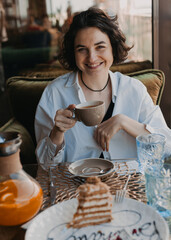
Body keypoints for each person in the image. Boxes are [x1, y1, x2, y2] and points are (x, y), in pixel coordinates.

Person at [35, 8, 171, 167]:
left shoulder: (134, 90)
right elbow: (45, 165)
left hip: (127, 185)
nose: (92, 58)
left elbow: (167, 148)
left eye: (100, 47)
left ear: (113, 48)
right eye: (82, 49)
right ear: (74, 53)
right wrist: (57, 133)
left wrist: (124, 122)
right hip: (76, 186)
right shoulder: (55, 93)